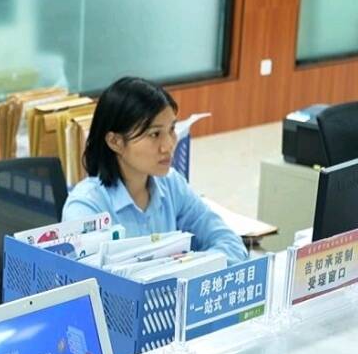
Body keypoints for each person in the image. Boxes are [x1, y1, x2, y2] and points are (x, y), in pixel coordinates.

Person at [62, 76, 248, 263]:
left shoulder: (171, 184)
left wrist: (190, 266)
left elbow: (229, 243)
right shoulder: (86, 207)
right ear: (115, 141)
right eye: (154, 134)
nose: (168, 145)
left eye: (171, 129)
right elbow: (92, 277)